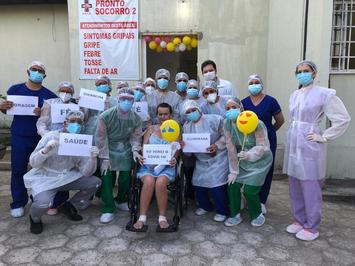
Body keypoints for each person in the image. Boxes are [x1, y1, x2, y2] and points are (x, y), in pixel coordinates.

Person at [283, 60, 351, 241]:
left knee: (310, 186)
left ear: (314, 73)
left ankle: (312, 226)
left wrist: (325, 136)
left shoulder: (324, 94)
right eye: (299, 71)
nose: (302, 74)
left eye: (306, 70)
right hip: (294, 143)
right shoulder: (294, 94)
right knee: (295, 184)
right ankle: (299, 220)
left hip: (310, 142)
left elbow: (343, 118)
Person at [23, 110, 101, 234]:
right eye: (72, 121)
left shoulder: (82, 141)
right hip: (46, 177)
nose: (76, 124)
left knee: (95, 182)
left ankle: (69, 206)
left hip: (67, 176)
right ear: (65, 123)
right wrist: (45, 151)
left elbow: (86, 173)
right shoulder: (51, 136)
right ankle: (35, 218)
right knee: (44, 204)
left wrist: (92, 159)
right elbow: (33, 163)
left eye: (79, 122)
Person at [0, 61, 57, 218]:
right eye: (34, 69)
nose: (37, 72)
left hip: (40, 139)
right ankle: (18, 202)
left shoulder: (49, 96)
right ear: (28, 71)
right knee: (18, 169)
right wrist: (3, 106)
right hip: (20, 136)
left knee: (41, 170)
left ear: (44, 76)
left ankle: (39, 199)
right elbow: (6, 109)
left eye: (40, 71)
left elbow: (55, 117)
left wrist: (43, 113)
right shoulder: (15, 90)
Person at [95, 87, 143, 223]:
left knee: (125, 177)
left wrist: (135, 149)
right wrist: (104, 156)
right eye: (123, 99)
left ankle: (121, 199)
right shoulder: (105, 116)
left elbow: (135, 137)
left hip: (126, 149)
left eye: (129, 99)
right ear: (118, 99)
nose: (126, 102)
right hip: (108, 148)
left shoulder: (136, 118)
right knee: (107, 177)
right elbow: (100, 138)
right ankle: (108, 208)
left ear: (134, 101)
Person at [223, 97, 273, 227]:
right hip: (241, 159)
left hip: (260, 161)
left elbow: (263, 145)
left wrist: (250, 155)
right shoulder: (227, 124)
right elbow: (231, 148)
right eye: (227, 109)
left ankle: (257, 214)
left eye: (234, 107)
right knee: (232, 185)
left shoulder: (256, 122)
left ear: (241, 108)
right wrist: (233, 170)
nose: (231, 110)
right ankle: (235, 215)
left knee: (249, 191)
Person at [241, 75, 284, 214]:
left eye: (257, 82)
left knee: (266, 169)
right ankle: (250, 197)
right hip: (250, 141)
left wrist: (268, 132)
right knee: (252, 168)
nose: (254, 85)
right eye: (251, 83)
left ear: (262, 85)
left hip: (268, 140)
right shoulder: (244, 103)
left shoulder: (271, 101)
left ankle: (262, 200)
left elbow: (280, 120)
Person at [133, 103, 180, 231]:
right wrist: (141, 156)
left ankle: (162, 218)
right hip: (149, 165)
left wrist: (175, 158)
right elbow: (144, 147)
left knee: (160, 183)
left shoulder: (175, 129)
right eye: (160, 114)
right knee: (148, 182)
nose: (163, 117)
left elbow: (177, 148)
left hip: (167, 166)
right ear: (157, 115)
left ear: (170, 115)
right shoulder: (151, 129)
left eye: (166, 114)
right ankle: (142, 218)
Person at [182, 100, 229, 222]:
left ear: (199, 109)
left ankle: (221, 211)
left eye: (194, 110)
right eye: (188, 112)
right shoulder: (187, 126)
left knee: (216, 186)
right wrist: (184, 147)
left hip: (218, 157)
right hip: (201, 160)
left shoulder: (215, 119)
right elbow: (188, 151)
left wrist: (217, 146)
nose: (192, 113)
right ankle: (205, 206)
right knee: (198, 183)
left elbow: (226, 135)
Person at [36, 81, 78, 215]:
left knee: (65, 170)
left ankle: (61, 202)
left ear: (72, 93)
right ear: (59, 91)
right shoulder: (50, 103)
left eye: (68, 91)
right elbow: (42, 122)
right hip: (51, 141)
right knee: (50, 170)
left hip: (68, 141)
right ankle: (47, 199)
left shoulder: (75, 106)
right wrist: (46, 136)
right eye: (63, 90)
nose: (65, 94)